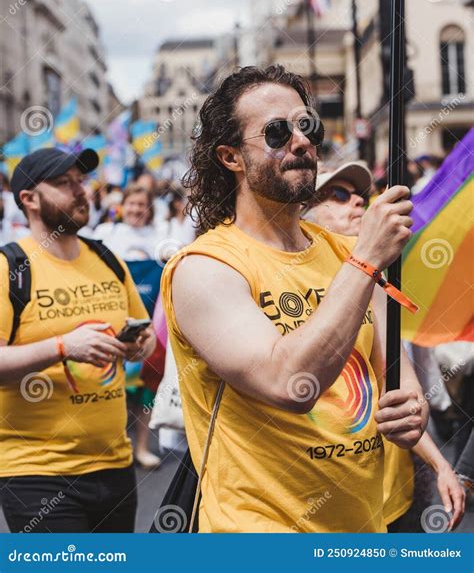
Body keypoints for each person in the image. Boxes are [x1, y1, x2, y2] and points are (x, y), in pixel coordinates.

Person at [160, 65, 428, 533]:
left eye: (307, 126)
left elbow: (395, 378)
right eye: (277, 132)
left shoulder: (344, 254)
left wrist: (410, 409)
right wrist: (365, 261)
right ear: (230, 157)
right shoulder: (203, 269)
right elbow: (290, 383)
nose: (301, 142)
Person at [303, 161, 466, 532]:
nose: (357, 204)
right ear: (304, 210)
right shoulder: (283, 286)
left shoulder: (375, 282)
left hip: (391, 496)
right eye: (339, 195)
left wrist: (440, 464)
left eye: (360, 196)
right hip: (319, 511)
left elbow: (391, 394)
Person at [0, 148, 156, 533]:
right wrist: (63, 347)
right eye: (63, 183)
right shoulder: (9, 269)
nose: (80, 191)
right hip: (36, 471)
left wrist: (139, 345)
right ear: (29, 199)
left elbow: (146, 332)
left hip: (114, 465)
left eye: (81, 181)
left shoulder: (107, 258)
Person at [94, 183, 163, 469]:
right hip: (114, 323)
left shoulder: (161, 238)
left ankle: (143, 447)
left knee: (145, 392)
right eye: (131, 203)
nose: (136, 209)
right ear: (122, 206)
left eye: (141, 204)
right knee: (117, 389)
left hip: (151, 324)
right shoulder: (106, 234)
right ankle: (117, 446)